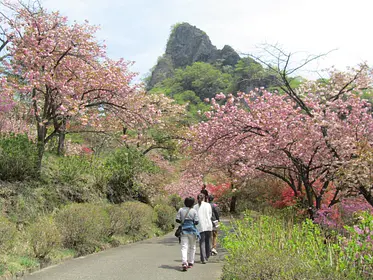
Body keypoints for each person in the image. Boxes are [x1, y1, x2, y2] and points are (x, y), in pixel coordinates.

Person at [176, 197, 200, 271]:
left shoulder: (181, 210)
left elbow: (177, 219)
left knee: (184, 247)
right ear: (193, 203)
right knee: (192, 246)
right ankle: (191, 262)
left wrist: (183, 222)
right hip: (192, 231)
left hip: (183, 231)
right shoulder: (194, 211)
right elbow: (196, 222)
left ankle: (184, 262)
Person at [193, 193, 212, 264]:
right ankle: (207, 255)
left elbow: (195, 218)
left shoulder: (195, 207)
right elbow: (210, 214)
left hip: (200, 226)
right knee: (208, 241)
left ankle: (203, 258)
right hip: (208, 225)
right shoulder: (208, 205)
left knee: (202, 242)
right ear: (204, 198)